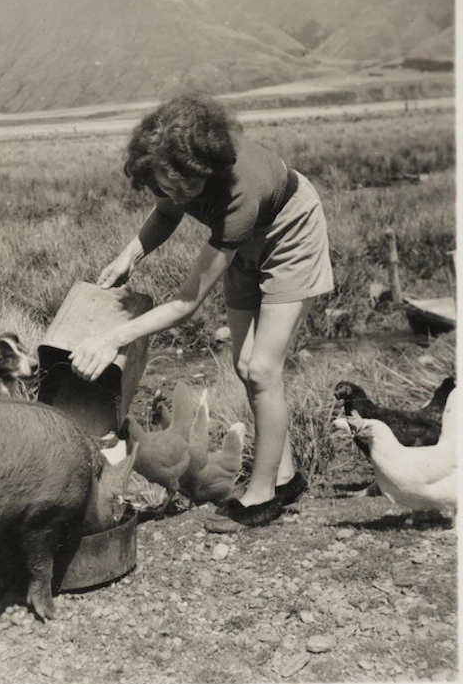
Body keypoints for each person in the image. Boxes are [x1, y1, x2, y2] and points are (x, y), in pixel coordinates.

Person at [69, 94, 333, 528]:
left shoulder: (237, 192)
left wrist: (114, 337)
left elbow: (186, 304)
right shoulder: (175, 169)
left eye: (189, 186)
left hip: (289, 232)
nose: (177, 194)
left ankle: (263, 496)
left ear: (208, 169)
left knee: (264, 369)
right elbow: (167, 210)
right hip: (243, 240)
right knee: (244, 364)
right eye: (166, 184)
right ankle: (283, 476)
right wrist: (130, 255)